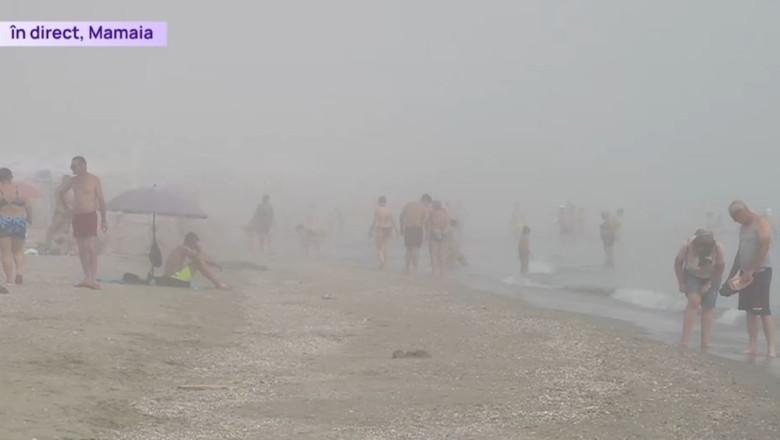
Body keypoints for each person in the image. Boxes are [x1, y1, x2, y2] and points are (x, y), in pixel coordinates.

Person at [726, 201, 776, 357]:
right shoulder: (742, 227)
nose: (735, 222)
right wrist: (732, 274)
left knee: (763, 310)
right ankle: (753, 345)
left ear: (743, 211)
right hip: (744, 273)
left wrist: (751, 270)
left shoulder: (761, 222)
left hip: (760, 271)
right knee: (749, 310)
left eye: (735, 218)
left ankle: (771, 348)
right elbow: (740, 251)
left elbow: (764, 247)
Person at [58, 156, 107, 290]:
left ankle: (93, 277)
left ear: (83, 165)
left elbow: (101, 200)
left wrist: (104, 219)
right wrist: (68, 209)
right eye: (71, 167)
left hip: (90, 214)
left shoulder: (94, 180)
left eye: (74, 166)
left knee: (91, 247)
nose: (72, 169)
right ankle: (86, 277)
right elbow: (60, 193)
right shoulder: (73, 181)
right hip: (77, 216)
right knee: (82, 248)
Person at [674, 229, 725, 349]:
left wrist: (709, 284)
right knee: (693, 302)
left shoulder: (718, 248)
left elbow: (720, 267)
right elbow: (678, 263)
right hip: (692, 274)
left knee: (708, 308)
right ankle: (685, 340)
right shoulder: (687, 246)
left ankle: (705, 341)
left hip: (712, 276)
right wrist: (681, 282)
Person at [159, 232, 230, 290]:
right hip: (175, 280)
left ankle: (218, 283)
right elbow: (198, 258)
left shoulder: (179, 249)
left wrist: (214, 264)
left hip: (169, 279)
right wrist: (199, 249)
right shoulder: (184, 248)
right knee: (197, 262)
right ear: (191, 243)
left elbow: (199, 258)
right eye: (195, 244)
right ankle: (218, 284)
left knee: (196, 261)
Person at [0, 168, 32, 288]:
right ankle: (19, 271)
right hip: (19, 221)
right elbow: (28, 206)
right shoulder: (19, 190)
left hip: (4, 221)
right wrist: (29, 218)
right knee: (18, 250)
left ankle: (9, 279)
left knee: (6, 252)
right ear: (10, 177)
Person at [400, 194, 432, 273]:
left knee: (408, 249)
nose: (428, 205)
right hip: (418, 229)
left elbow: (401, 216)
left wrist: (401, 228)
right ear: (426, 200)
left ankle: (407, 268)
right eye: (428, 203)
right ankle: (415, 268)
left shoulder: (409, 205)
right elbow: (426, 222)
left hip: (408, 228)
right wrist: (427, 233)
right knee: (416, 249)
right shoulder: (424, 208)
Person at [369, 196, 398, 269]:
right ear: (385, 202)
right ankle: (385, 261)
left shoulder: (377, 209)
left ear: (379, 202)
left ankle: (382, 261)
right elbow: (393, 220)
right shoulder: (389, 209)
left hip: (380, 228)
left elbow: (375, 220)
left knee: (379, 247)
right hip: (389, 228)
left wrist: (371, 229)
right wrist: (396, 230)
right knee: (386, 246)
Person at [427, 200, 450, 278]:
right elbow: (447, 223)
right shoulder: (445, 212)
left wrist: (426, 235)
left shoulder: (432, 212)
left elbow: (429, 223)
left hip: (434, 234)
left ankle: (434, 271)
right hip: (444, 234)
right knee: (443, 253)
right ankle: (442, 271)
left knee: (434, 253)